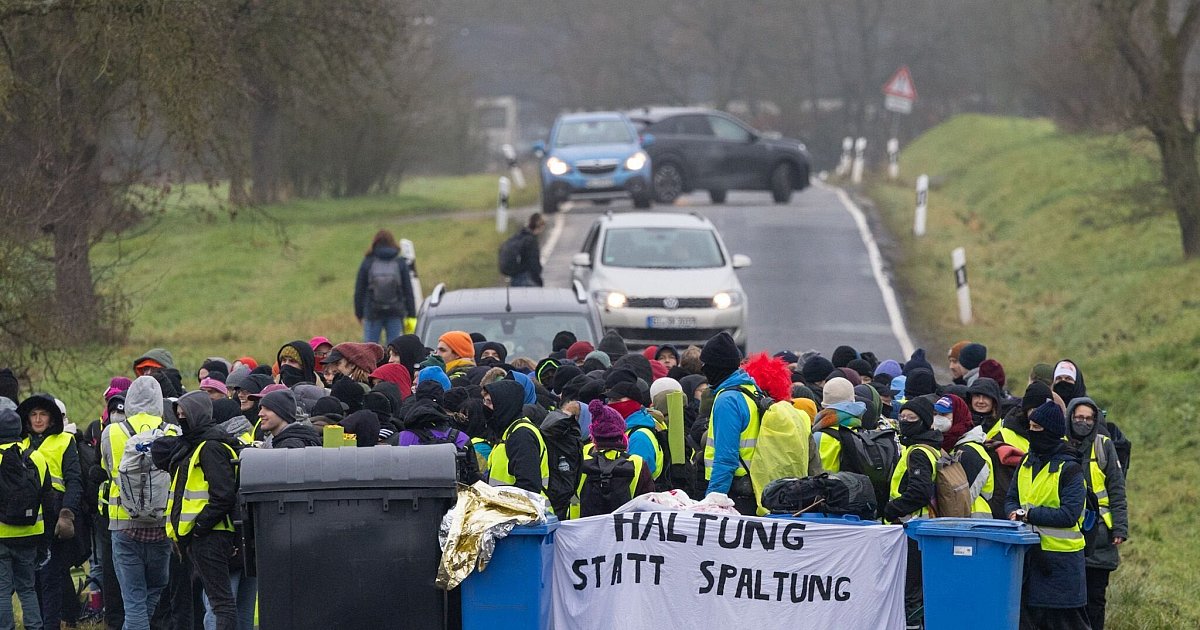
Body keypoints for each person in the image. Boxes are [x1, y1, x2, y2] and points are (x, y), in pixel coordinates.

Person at [101, 376, 179, 630]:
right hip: (161, 525)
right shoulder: (173, 432)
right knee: (154, 590)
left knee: (133, 600)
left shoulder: (112, 432)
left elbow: (109, 469)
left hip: (124, 524)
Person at [1005, 401, 1090, 629]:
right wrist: (1014, 512)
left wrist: (1028, 515)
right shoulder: (1026, 462)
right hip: (1028, 560)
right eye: (1030, 427)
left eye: (1037, 428)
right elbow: (1011, 498)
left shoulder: (1070, 469)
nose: (1031, 432)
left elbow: (1069, 515)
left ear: (1051, 432)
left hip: (1062, 565)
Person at [165, 391, 241, 630]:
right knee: (220, 602)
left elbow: (223, 494)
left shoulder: (209, 447)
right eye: (178, 414)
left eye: (184, 413)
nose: (180, 418)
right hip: (204, 535)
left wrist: (198, 528)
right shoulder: (200, 444)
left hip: (210, 536)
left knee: (220, 604)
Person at [16, 393, 82, 630]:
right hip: (26, 516)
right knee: (30, 579)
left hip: (54, 514)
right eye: (33, 414)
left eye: (43, 414)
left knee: (51, 578)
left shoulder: (65, 441)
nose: (38, 419)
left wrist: (67, 513)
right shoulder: (20, 443)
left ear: (52, 418)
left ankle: (50, 625)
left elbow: (74, 480)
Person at [1066, 397, 1128, 630]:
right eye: (1078, 417)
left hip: (1101, 536)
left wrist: (1120, 528)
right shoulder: (1060, 444)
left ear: (1096, 420)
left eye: (1088, 418)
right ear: (1070, 417)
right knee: (1071, 600)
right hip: (1068, 535)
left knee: (1095, 599)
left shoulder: (1104, 445)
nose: (1083, 422)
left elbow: (1117, 488)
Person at [883, 395, 941, 630]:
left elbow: (919, 491)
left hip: (912, 530)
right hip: (920, 530)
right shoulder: (932, 448)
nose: (905, 421)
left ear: (924, 422)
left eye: (911, 418)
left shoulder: (917, 452)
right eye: (902, 416)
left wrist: (892, 509)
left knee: (911, 592)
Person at [0, 399, 53, 630]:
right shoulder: (36, 457)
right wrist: (46, 539)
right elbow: (48, 499)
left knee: (2, 591)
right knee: (27, 588)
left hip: (1, 536)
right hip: (31, 533)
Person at [700, 332, 762, 515]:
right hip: (753, 488)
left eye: (706, 365)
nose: (704, 370)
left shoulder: (727, 400)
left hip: (733, 493)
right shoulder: (751, 389)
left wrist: (713, 500)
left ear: (717, 366)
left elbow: (726, 457)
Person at [572, 401, 652, 518]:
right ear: (622, 434)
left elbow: (570, 500)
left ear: (593, 436)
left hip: (584, 532)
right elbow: (648, 508)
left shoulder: (580, 461)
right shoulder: (637, 463)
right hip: (624, 532)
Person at [482, 380, 549, 496]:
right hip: (507, 510)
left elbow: (528, 485)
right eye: (484, 401)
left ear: (504, 404)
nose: (485, 407)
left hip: (526, 511)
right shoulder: (507, 431)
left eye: (489, 402)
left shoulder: (521, 435)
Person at [355, 229, 416, 345]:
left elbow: (359, 290)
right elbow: (408, 291)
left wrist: (359, 313)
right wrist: (411, 314)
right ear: (392, 242)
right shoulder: (399, 262)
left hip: (372, 313)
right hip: (395, 312)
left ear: (375, 242)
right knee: (395, 349)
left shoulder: (368, 262)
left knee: (370, 350)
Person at [938, 394, 995, 519]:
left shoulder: (970, 452)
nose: (938, 419)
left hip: (972, 521)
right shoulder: (952, 445)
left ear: (958, 416)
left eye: (944, 415)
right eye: (936, 414)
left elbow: (962, 497)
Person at [604, 368, 662, 482]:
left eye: (616, 399)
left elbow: (635, 480)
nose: (610, 405)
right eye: (609, 399)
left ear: (633, 403)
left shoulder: (639, 437)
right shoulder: (625, 430)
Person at [810, 377, 866, 473]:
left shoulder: (817, 436)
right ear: (853, 401)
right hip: (855, 486)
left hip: (825, 485)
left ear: (824, 405)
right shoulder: (862, 432)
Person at [508, 213, 546, 287]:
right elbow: (534, 263)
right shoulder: (531, 241)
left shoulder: (521, 236)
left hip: (515, 278)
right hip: (527, 279)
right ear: (540, 226)